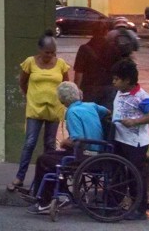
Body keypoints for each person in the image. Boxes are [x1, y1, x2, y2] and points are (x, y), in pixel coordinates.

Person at [24, 82, 109, 214]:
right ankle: (61, 193)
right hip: (98, 151)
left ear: (62, 100)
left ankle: (45, 201)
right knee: (52, 155)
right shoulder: (91, 106)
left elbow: (78, 139)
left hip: (85, 155)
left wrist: (64, 142)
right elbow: (107, 112)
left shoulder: (72, 112)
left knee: (44, 160)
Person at [10, 33, 70, 192]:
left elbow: (66, 85)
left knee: (50, 144)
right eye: (47, 52)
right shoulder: (30, 62)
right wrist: (31, 96)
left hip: (54, 109)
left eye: (52, 52)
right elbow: (23, 82)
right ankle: (19, 177)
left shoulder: (61, 64)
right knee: (30, 142)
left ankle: (48, 180)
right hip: (35, 109)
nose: (49, 56)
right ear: (40, 50)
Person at [109, 58, 149, 220]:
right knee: (117, 172)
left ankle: (139, 209)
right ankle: (114, 204)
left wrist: (134, 121)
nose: (114, 82)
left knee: (135, 175)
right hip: (119, 138)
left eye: (117, 79)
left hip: (135, 143)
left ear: (128, 80)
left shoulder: (141, 96)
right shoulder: (120, 92)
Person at [73, 20, 116, 109]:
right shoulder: (113, 48)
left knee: (89, 116)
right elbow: (117, 69)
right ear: (106, 32)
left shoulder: (84, 49)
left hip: (89, 88)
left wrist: (77, 90)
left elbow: (79, 72)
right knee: (107, 117)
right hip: (108, 87)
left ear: (92, 32)